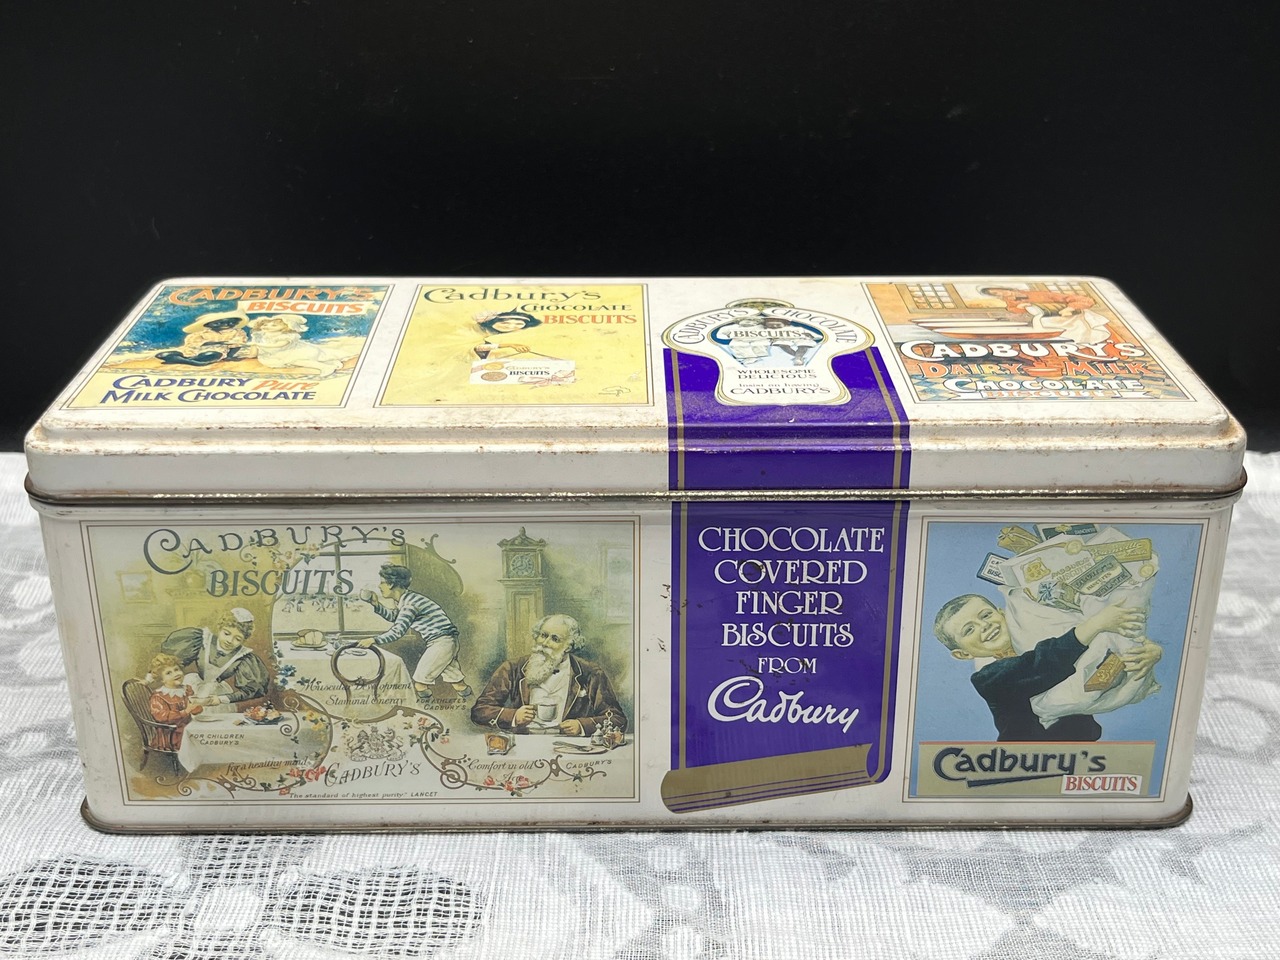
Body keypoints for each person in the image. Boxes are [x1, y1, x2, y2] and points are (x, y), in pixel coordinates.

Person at [933, 595, 1160, 741]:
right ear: (963, 654)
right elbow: (1044, 663)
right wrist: (1096, 624)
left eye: (986, 615)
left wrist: (1143, 650)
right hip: (1027, 762)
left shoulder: (1032, 634)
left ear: (1002, 613)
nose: (984, 626)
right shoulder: (988, 678)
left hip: (1081, 747)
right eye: (969, 630)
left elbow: (1096, 653)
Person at [470, 614, 627, 736]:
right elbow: (479, 711)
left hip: (569, 748)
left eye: (555, 639)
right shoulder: (512, 668)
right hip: (523, 745)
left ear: (568, 646)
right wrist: (514, 716)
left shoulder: (590, 673)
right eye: (543, 635)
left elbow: (617, 719)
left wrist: (582, 726)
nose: (544, 643)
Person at [357, 563, 471, 704]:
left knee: (420, 683)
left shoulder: (410, 604)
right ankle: (470, 703)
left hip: (441, 643)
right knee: (457, 682)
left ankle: (428, 710)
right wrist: (376, 604)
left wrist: (373, 640)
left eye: (382, 583)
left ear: (391, 584)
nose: (379, 587)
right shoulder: (408, 599)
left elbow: (398, 631)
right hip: (447, 641)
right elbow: (394, 617)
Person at [160, 608, 271, 712]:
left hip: (216, 694)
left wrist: (221, 699)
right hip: (193, 687)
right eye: (226, 633)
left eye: (237, 639)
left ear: (244, 640)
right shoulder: (202, 640)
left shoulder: (244, 657)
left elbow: (251, 690)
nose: (229, 640)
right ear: (220, 628)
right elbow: (171, 662)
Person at [143, 653, 203, 751]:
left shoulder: (186, 690)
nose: (175, 674)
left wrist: (196, 707)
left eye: (176, 669)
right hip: (171, 733)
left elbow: (194, 710)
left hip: (187, 727)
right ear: (162, 680)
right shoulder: (159, 696)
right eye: (168, 673)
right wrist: (185, 712)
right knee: (199, 740)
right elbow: (162, 717)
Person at [155, 312, 252, 366]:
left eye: (231, 323)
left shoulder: (237, 332)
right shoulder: (200, 334)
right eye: (217, 323)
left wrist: (229, 356)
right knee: (161, 355)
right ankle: (189, 359)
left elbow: (238, 344)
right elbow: (193, 344)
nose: (226, 325)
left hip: (216, 351)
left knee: (212, 354)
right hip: (195, 350)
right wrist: (218, 342)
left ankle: (186, 361)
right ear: (207, 325)